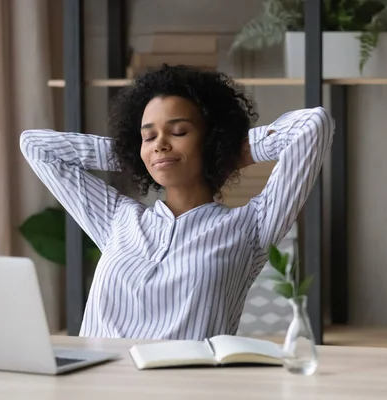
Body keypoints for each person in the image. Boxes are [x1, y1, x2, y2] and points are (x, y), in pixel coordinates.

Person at [20, 64, 335, 340]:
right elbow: (35, 145)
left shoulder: (250, 229)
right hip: (94, 385)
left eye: (179, 131)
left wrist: (226, 152)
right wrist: (134, 155)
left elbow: (312, 126)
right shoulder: (118, 219)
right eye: (148, 136)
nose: (160, 145)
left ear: (210, 139)